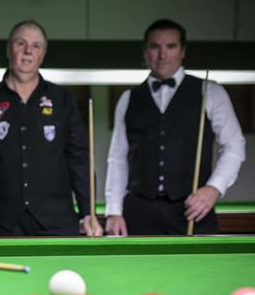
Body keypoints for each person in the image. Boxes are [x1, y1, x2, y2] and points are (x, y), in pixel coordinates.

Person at [104, 18, 246, 235]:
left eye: (171, 46)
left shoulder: (209, 91)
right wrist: (114, 211)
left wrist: (213, 188)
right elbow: (117, 158)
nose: (162, 55)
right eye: (155, 46)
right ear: (145, 51)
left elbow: (234, 145)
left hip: (193, 210)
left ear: (183, 51)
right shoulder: (128, 98)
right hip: (139, 212)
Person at [0, 19, 102, 236]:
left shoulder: (62, 100)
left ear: (43, 54)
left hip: (57, 223)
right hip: (1, 222)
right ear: (8, 49)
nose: (27, 52)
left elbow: (79, 159)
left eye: (36, 46)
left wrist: (88, 211)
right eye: (20, 44)